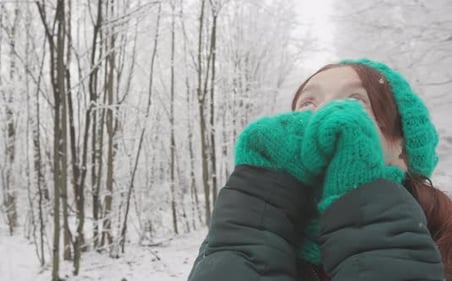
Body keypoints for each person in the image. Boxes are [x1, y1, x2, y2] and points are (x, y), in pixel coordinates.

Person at [187, 58, 452, 281]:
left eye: (356, 103)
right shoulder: (241, 231)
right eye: (307, 105)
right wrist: (259, 203)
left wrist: (364, 203)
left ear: (400, 150)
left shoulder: (445, 237)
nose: (323, 116)